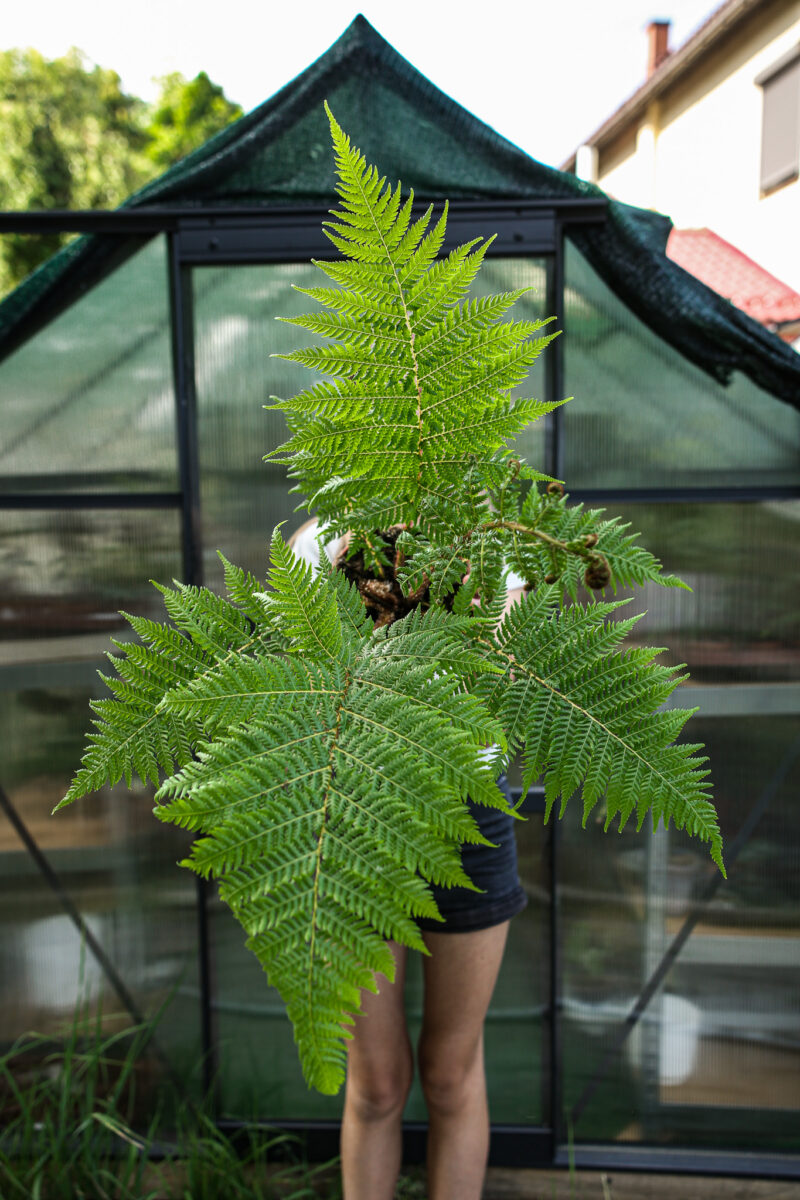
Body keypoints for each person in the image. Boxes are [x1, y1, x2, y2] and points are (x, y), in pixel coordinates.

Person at [289, 519, 527, 1200]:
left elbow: (512, 671)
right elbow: (290, 684)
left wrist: (462, 597)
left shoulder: (487, 528)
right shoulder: (320, 536)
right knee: (376, 1083)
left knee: (451, 1073)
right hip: (352, 813)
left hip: (469, 813)